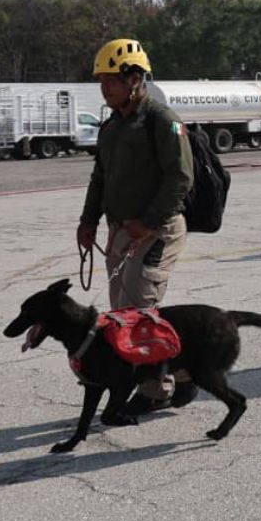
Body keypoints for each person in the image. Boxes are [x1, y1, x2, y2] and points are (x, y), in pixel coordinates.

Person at [77, 38, 195, 415]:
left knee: (140, 310)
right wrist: (88, 220)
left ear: (133, 78)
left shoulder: (161, 120)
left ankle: (156, 389)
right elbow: (100, 177)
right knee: (122, 312)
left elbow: (181, 178)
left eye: (110, 79)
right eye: (101, 81)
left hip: (157, 229)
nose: (104, 88)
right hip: (120, 231)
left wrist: (148, 222)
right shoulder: (111, 127)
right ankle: (185, 374)